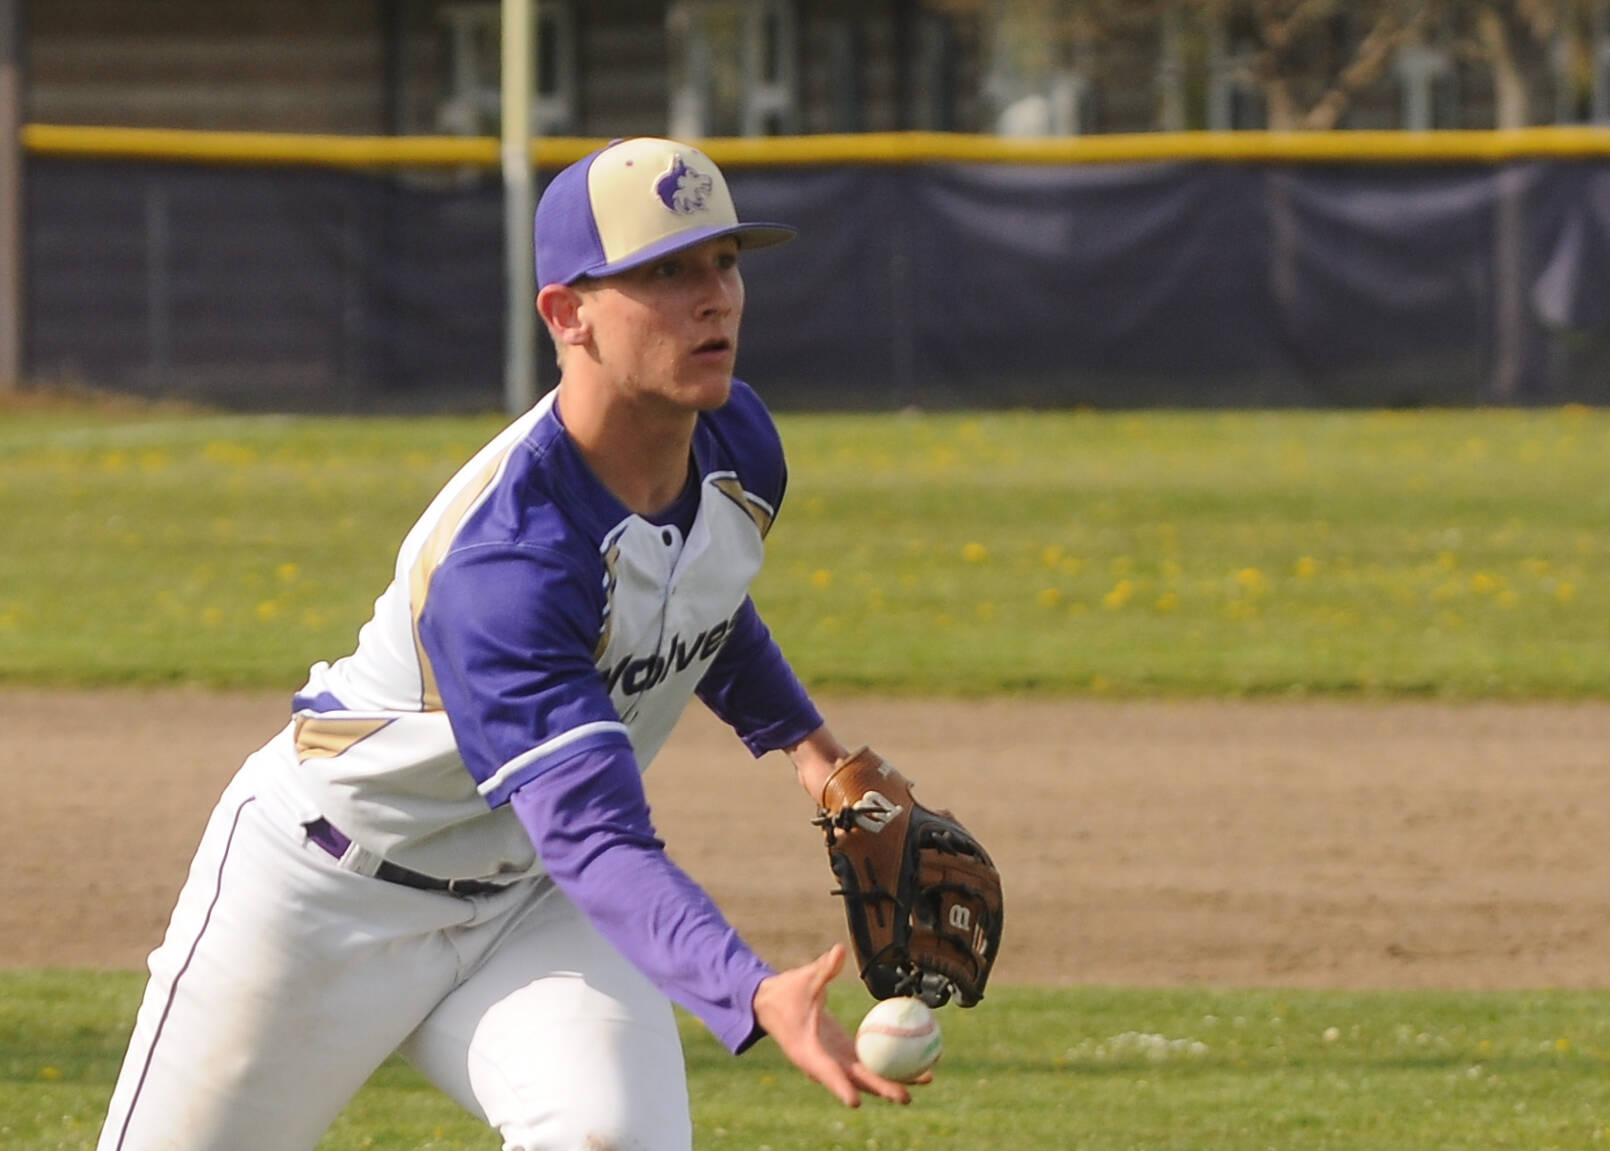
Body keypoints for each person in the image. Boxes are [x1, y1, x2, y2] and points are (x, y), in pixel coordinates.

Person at [96, 137, 918, 1151]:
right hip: (323, 896)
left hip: (527, 902)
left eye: (724, 261)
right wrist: (750, 992)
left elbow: (701, 598)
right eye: (664, 271)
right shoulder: (508, 560)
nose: (713, 297)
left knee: (610, 1138)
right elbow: (595, 834)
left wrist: (812, 750)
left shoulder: (739, 443)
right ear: (566, 313)